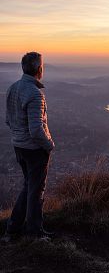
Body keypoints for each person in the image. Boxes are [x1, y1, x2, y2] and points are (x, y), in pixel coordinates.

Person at [2, 52, 55, 242]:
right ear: (38, 69)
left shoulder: (12, 88)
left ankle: (13, 229)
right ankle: (34, 233)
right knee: (36, 191)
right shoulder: (35, 94)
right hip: (34, 150)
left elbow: (8, 120)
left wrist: (19, 137)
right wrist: (49, 145)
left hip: (19, 147)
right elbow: (36, 130)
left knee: (28, 187)